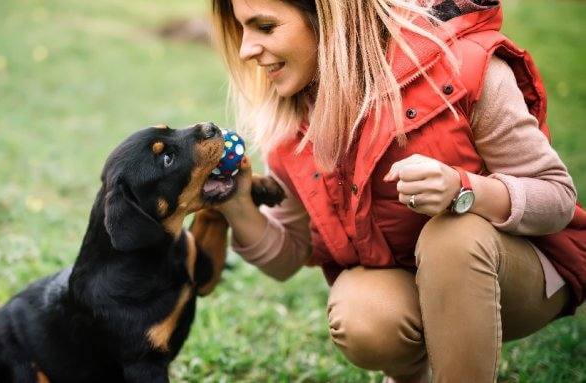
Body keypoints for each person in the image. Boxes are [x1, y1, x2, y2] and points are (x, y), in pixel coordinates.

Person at [209, 0, 586, 382]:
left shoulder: (464, 66)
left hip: (525, 272)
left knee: (452, 235)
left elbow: (555, 198)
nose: (245, 50)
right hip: (415, 282)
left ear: (327, 15)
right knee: (363, 313)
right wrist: (236, 202)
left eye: (266, 27)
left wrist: (463, 189)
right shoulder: (293, 120)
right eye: (242, 30)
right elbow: (289, 253)